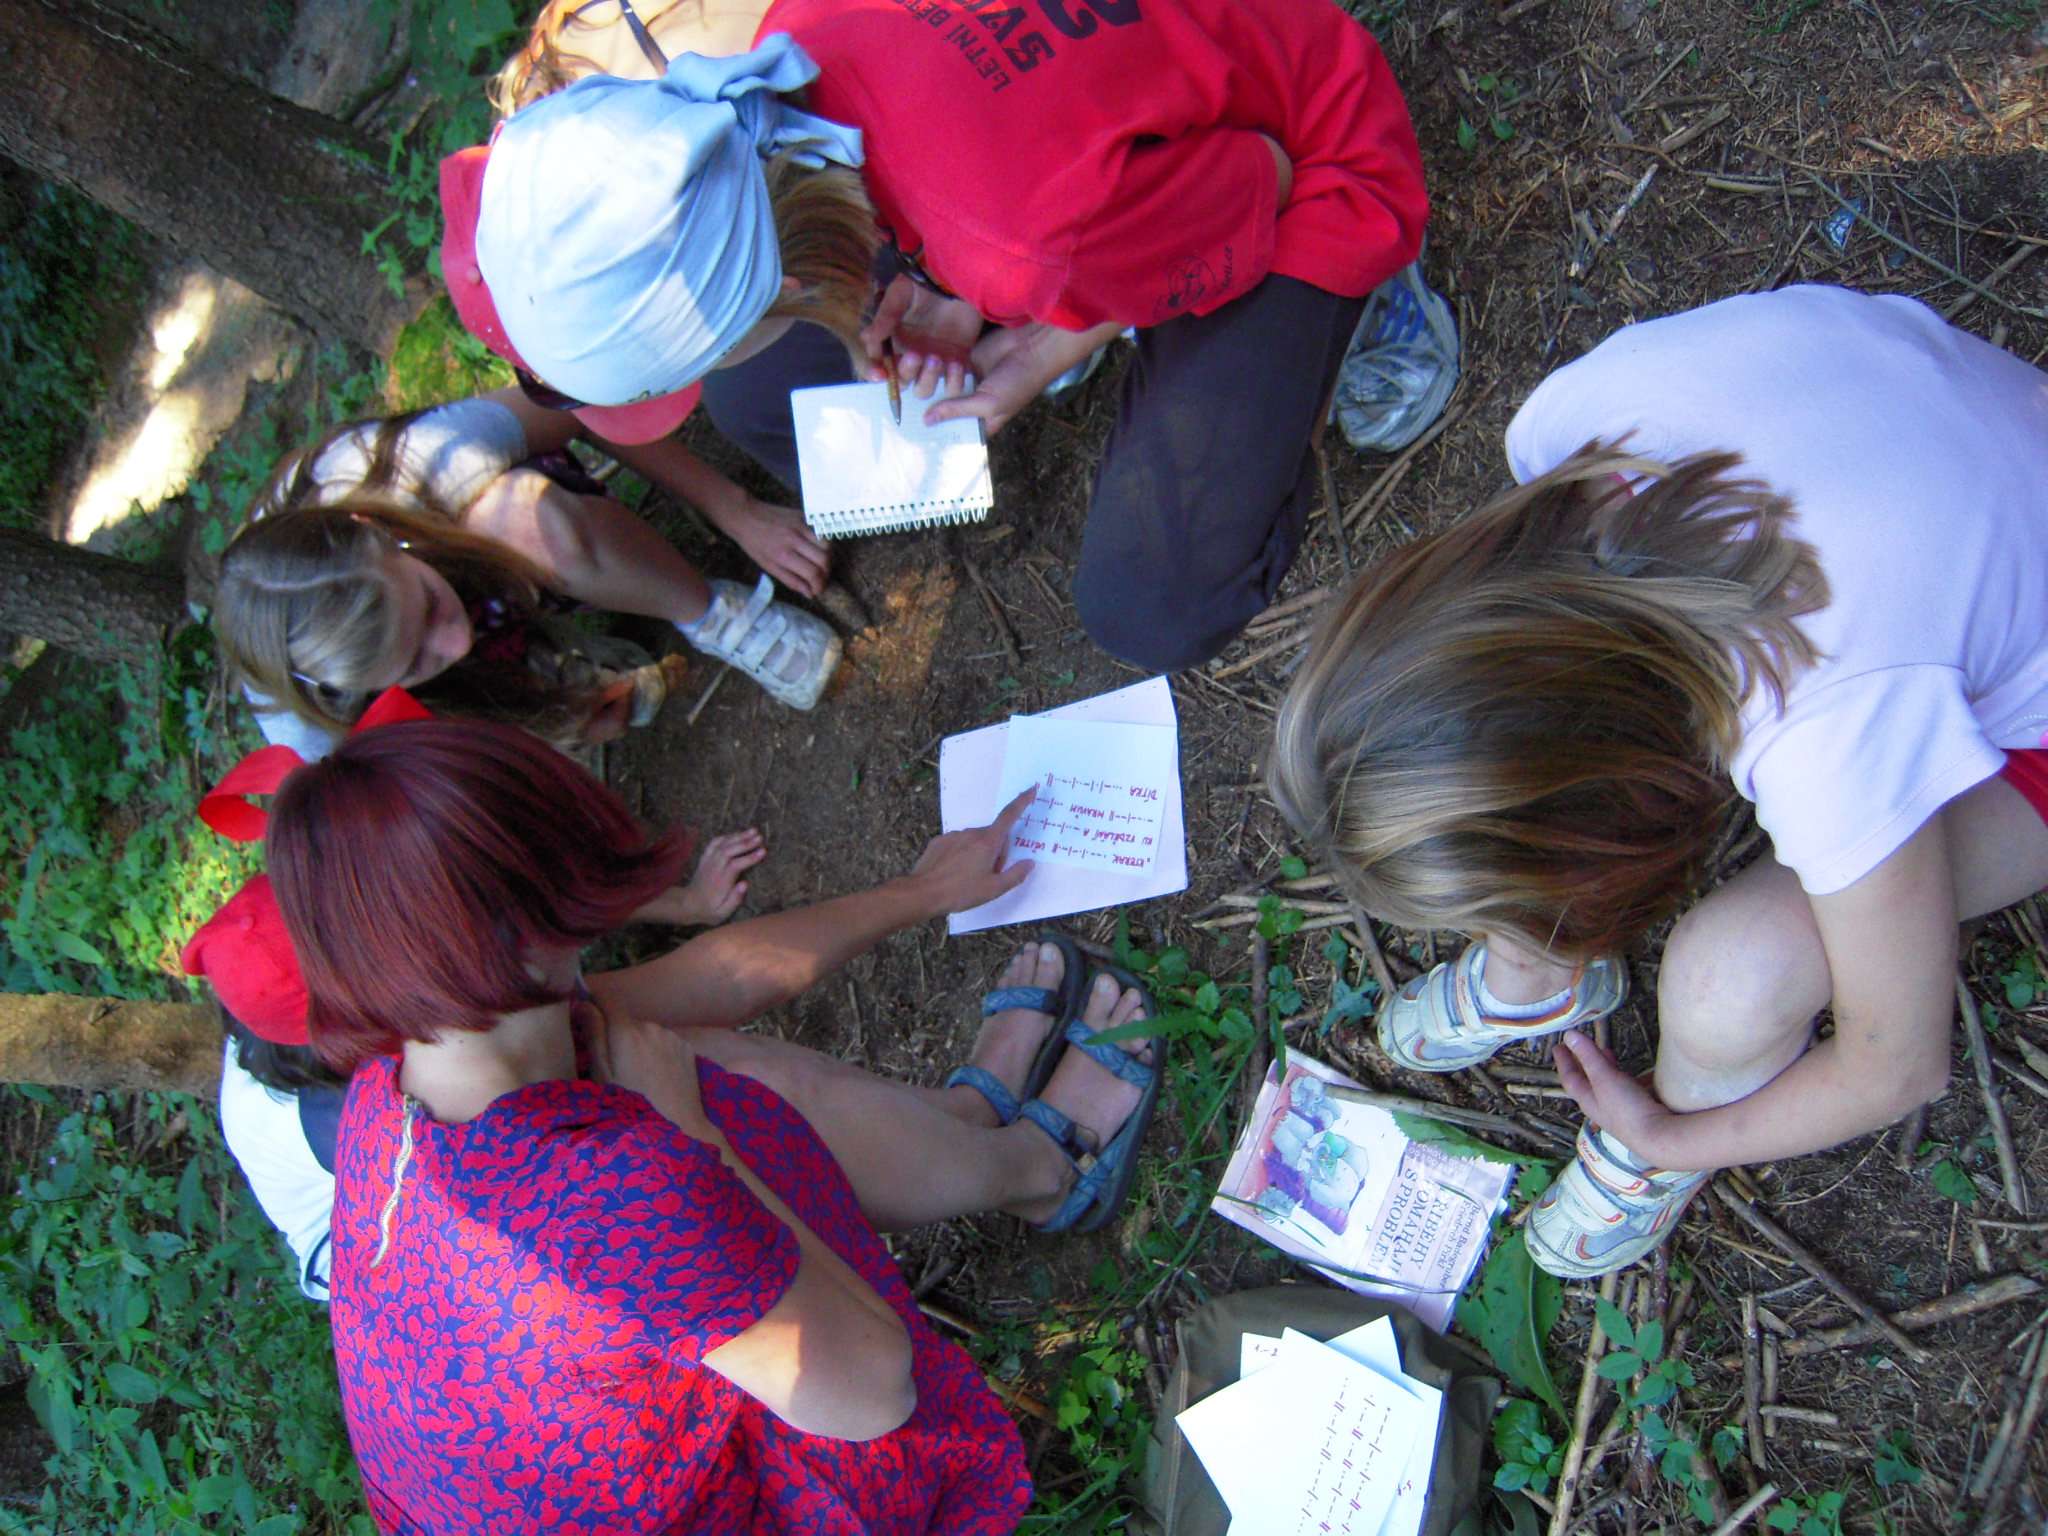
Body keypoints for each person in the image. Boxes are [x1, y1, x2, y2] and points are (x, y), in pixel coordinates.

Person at [1269, 285, 2048, 1279]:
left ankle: (1672, 1114)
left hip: (2016, 717)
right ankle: (1532, 978)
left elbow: (1895, 1065)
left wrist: (1674, 1137)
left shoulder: (1820, 726)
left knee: (1733, 981)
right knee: (1475, 787)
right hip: (1959, 484)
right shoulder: (1567, 432)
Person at [260, 718, 1162, 1531]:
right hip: (738, 1495)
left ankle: (968, 1124)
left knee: (680, 1059)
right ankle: (1043, 1170)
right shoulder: (611, 1196)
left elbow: (712, 980)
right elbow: (874, 1389)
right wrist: (695, 1138)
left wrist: (920, 892)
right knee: (710, 1103)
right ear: (522, 925)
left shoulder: (403, 1078)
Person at [453, 0, 1448, 674]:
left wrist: (1044, 337)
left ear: (777, 288)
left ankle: (1358, 298)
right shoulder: (786, 38)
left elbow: (1264, 179)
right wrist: (960, 286)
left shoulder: (1022, 250)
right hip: (1144, 98)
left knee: (1152, 607)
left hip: (1314, 138)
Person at [186, 835, 764, 1300]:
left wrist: (684, 902)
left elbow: (523, 904)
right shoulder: (362, 1112)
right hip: (395, 1252)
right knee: (651, 1100)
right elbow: (517, 1167)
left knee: (619, 1023)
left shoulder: (287, 991)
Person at [215, 382, 844, 752]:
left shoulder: (411, 465)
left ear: (373, 529)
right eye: (413, 664)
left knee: (516, 518)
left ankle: (708, 613)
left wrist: (735, 510)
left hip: (477, 544)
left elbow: (571, 405)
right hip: (444, 631)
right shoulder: (317, 731)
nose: (455, 643)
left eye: (429, 609)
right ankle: (547, 671)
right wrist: (540, 722)